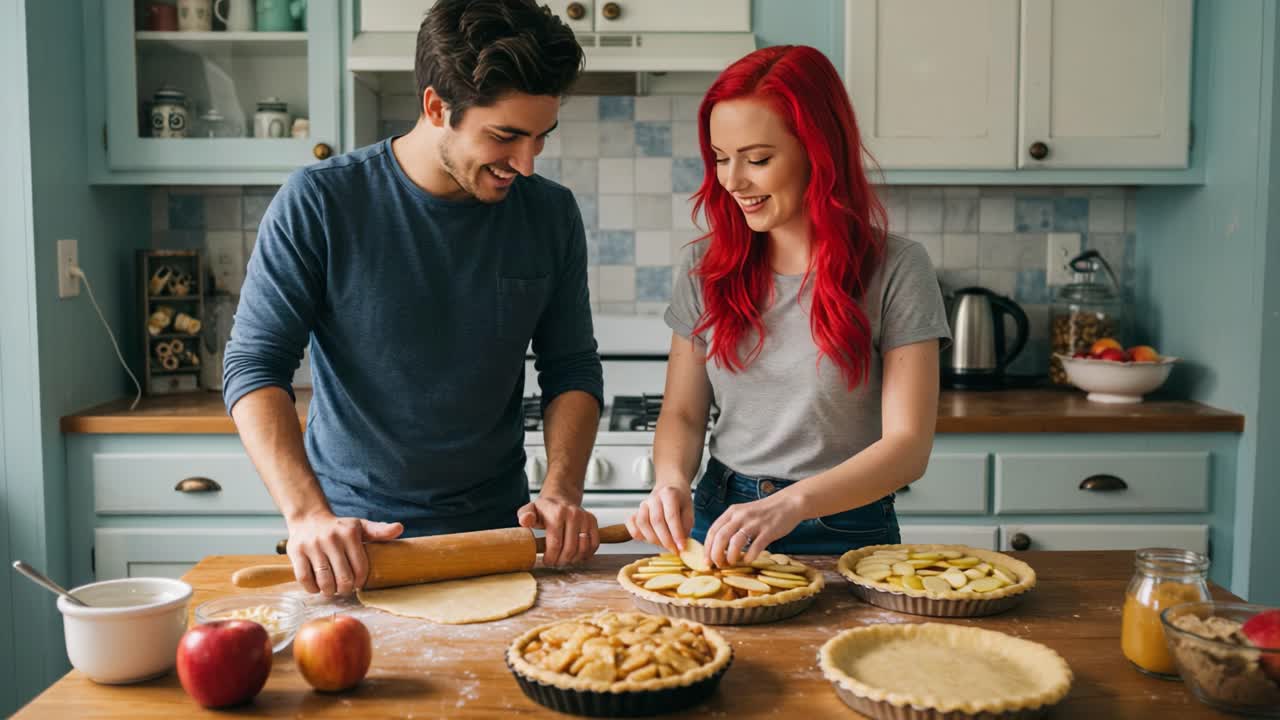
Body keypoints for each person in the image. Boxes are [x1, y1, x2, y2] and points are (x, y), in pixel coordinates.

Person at [223, 0, 604, 596]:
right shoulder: (321, 202)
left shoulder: (550, 215)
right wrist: (306, 516)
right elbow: (253, 365)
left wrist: (561, 493)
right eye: (506, 137)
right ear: (436, 107)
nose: (527, 164)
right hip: (355, 542)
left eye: (540, 138)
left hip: (499, 540)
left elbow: (572, 367)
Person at [626, 45, 951, 568]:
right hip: (720, 523)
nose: (732, 180)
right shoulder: (706, 268)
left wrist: (791, 504)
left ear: (819, 151)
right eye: (720, 158)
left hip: (846, 528)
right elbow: (683, 413)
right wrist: (669, 482)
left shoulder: (896, 268)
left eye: (757, 159)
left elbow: (909, 446)